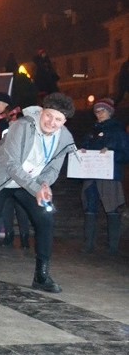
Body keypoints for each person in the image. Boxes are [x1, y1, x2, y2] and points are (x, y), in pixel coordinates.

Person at [0, 93, 77, 294]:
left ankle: (41, 276)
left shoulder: (65, 138)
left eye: (58, 119)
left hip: (29, 183)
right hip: (1, 179)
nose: (52, 122)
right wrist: (36, 189)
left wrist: (44, 185)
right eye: (49, 116)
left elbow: (53, 169)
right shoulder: (21, 126)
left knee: (46, 218)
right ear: (42, 112)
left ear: (64, 121)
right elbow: (11, 165)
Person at [79, 98, 128, 255]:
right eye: (96, 111)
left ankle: (113, 246)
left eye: (102, 111)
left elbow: (125, 154)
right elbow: (85, 146)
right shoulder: (92, 131)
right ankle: (88, 245)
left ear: (110, 112)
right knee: (90, 207)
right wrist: (84, 151)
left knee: (112, 208)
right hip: (92, 176)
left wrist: (112, 153)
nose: (98, 114)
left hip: (109, 176)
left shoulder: (118, 132)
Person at [0, 92, 30, 250]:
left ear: (7, 105)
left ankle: (25, 236)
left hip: (16, 165)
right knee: (5, 203)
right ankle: (9, 235)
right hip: (0, 166)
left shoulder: (15, 119)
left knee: (20, 202)